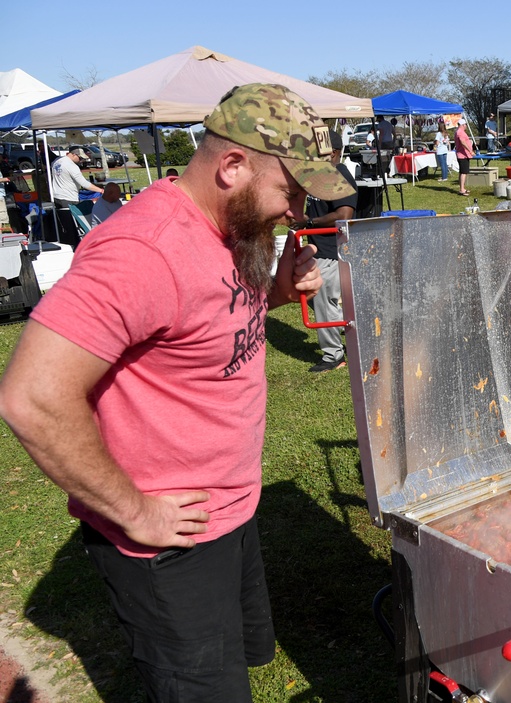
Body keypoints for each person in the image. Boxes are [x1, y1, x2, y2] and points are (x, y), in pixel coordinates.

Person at [0, 82, 338, 700]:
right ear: (232, 166)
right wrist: (136, 512)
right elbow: (32, 397)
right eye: (290, 191)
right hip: (169, 535)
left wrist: (279, 292)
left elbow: (204, 317)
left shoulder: (226, 229)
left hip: (230, 505)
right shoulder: (142, 250)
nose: (297, 211)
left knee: (238, 662)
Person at [299, 131, 357, 373]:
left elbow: (344, 215)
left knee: (321, 294)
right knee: (313, 294)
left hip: (333, 250)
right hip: (318, 249)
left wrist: (310, 223)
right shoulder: (320, 177)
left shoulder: (339, 175)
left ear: (333, 152)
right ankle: (345, 326)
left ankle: (334, 355)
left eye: (317, 151)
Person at [51, 147, 103, 249]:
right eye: (80, 158)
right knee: (74, 226)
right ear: (74, 155)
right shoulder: (71, 166)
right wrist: (101, 190)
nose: (81, 160)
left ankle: (69, 244)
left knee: (64, 225)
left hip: (57, 196)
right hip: (69, 197)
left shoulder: (56, 162)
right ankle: (76, 247)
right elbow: (84, 183)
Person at [454, 118, 474, 196]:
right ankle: (462, 190)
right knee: (463, 172)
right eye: (465, 124)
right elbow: (463, 142)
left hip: (463, 155)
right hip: (463, 155)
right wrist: (470, 150)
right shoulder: (460, 132)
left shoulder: (459, 132)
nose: (466, 126)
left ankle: (462, 188)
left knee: (462, 172)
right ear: (462, 125)